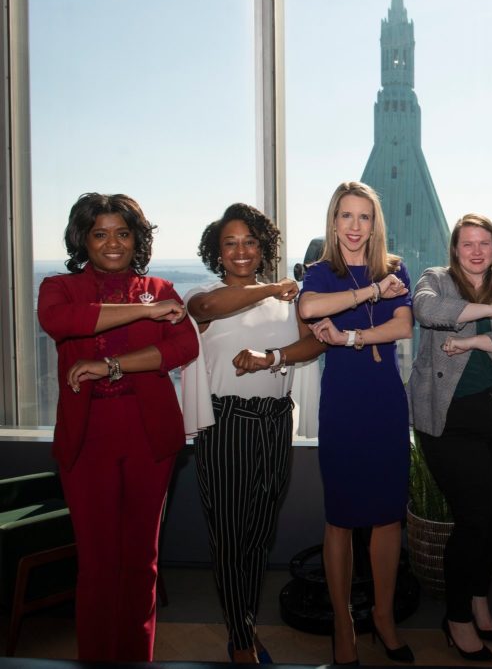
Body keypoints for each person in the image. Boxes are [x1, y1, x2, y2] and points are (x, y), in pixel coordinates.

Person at [37, 193, 198, 662]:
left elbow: (182, 347)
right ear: (82, 240)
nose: (112, 243)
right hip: (87, 441)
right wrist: (145, 312)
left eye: (123, 233)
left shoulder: (161, 287)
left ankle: (136, 659)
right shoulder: (59, 287)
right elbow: (62, 322)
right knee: (97, 564)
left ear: (137, 239)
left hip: (150, 438)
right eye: (100, 233)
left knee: (142, 564)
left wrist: (110, 366)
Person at [184, 204, 325, 664]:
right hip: (226, 424)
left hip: (274, 422)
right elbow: (206, 309)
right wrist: (274, 287)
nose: (241, 250)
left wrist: (272, 357)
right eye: (230, 242)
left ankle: (243, 623)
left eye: (249, 241)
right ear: (217, 251)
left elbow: (314, 342)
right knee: (229, 534)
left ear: (263, 245)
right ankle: (242, 640)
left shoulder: (289, 297)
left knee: (259, 534)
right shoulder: (206, 294)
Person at [409, 214, 492, 662]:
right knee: (474, 517)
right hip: (449, 423)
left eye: (485, 243)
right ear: (456, 249)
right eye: (468, 244)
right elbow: (427, 311)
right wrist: (486, 313)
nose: (477, 251)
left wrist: (473, 342)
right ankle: (457, 617)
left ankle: (480, 597)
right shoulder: (436, 280)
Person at [297, 181, 414, 665]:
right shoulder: (321, 271)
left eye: (364, 217)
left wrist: (347, 338)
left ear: (375, 224)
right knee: (341, 517)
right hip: (343, 404)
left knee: (387, 516)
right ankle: (344, 625)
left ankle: (383, 618)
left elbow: (402, 326)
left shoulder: (396, 267)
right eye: (346, 215)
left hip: (385, 400)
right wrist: (370, 292)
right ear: (334, 221)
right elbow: (308, 309)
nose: (354, 225)